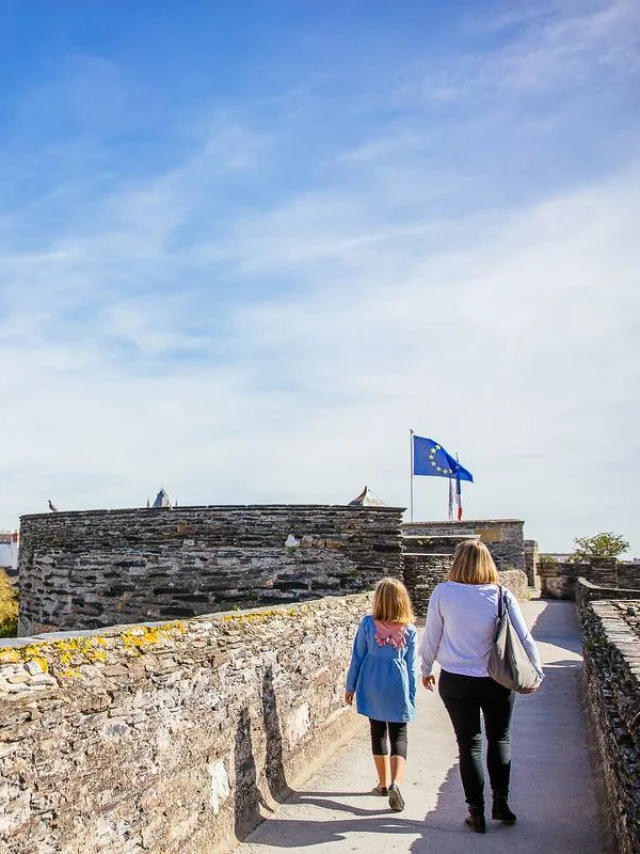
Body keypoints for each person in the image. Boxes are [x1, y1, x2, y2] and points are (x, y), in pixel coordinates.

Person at [420, 540, 544, 833]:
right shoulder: (501, 594)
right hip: (497, 679)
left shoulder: (443, 593)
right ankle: (501, 803)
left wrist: (425, 668)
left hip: (455, 680)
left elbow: (431, 637)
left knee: (469, 745)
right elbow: (524, 637)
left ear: (457, 562)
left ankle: (475, 811)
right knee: (499, 739)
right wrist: (536, 671)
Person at [345, 577, 417, 812]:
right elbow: (411, 666)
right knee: (399, 736)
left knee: (378, 733)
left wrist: (351, 686)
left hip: (372, 682)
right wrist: (412, 694)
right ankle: (397, 783)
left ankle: (383, 783)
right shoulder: (410, 630)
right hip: (398, 684)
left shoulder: (367, 624)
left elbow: (357, 657)